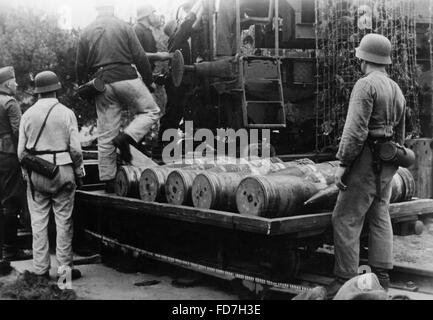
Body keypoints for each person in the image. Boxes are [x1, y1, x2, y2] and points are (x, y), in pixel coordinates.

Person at [327, 33, 406, 298]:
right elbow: (401, 134)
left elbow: (355, 131)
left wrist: (343, 163)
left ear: (363, 58)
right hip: (387, 161)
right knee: (380, 214)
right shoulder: (396, 88)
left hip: (364, 160)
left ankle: (346, 282)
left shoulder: (365, 85)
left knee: (345, 217)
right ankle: (381, 277)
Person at [75, 2, 160, 192]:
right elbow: (139, 57)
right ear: (113, 8)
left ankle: (109, 180)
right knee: (151, 111)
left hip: (101, 83)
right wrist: (149, 80)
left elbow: (79, 65)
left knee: (106, 134)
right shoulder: (124, 26)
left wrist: (84, 88)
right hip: (126, 77)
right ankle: (127, 137)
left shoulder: (87, 30)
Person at [18, 71, 85, 280]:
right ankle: (65, 273)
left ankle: (40, 272)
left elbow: (21, 153)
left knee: (38, 223)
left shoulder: (27, 114)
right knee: (64, 222)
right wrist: (79, 171)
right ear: (57, 88)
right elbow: (75, 149)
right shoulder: (67, 113)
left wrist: (27, 175)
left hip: (37, 172)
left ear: (37, 91)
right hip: (63, 170)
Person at [0, 66, 30, 261]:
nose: (17, 84)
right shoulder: (10, 102)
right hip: (9, 155)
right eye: (14, 80)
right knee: (11, 200)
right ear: (7, 83)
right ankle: (9, 249)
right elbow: (19, 132)